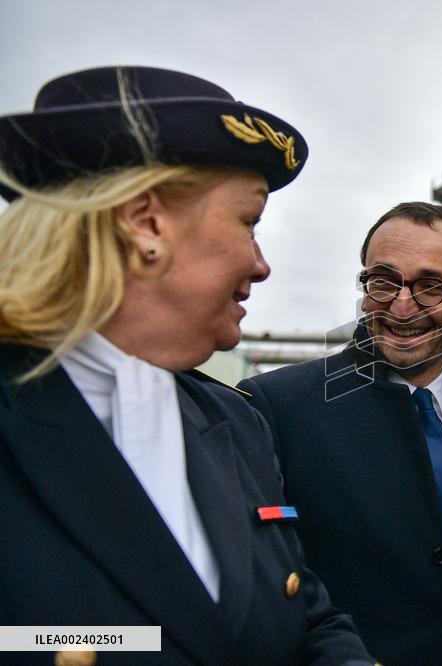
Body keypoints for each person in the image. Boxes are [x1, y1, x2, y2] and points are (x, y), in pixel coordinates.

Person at [0, 66, 374, 666]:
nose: (261, 265)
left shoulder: (234, 420)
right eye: (249, 222)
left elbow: (308, 618)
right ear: (146, 223)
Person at [238, 202, 442, 665]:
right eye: (383, 281)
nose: (401, 305)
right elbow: (259, 575)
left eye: (430, 286)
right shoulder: (276, 406)